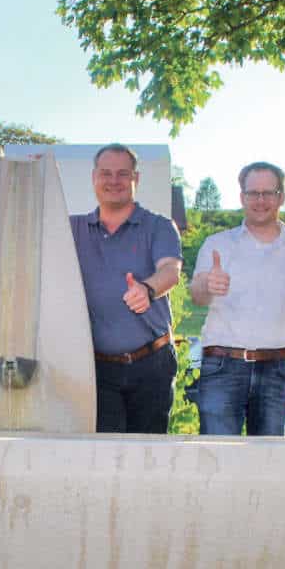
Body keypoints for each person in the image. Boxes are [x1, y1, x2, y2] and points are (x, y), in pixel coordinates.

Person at [190, 161, 285, 436]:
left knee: (270, 464)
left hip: (277, 371)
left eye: (269, 192)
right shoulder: (217, 244)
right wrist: (208, 284)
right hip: (222, 368)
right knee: (217, 460)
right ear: (242, 197)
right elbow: (197, 296)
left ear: (281, 197)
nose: (260, 200)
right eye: (253, 193)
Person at [70, 143, 182, 433]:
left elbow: (170, 270)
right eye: (106, 173)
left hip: (152, 364)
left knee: (149, 456)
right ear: (94, 177)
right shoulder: (72, 229)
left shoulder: (158, 226)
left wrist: (147, 288)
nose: (114, 181)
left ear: (136, 179)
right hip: (96, 369)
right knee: (103, 458)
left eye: (123, 174)